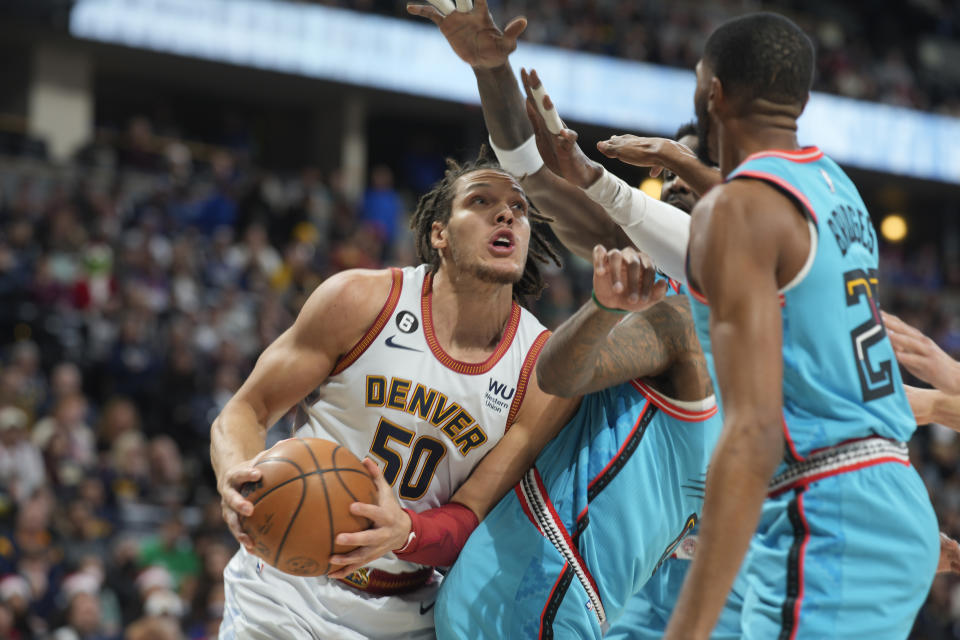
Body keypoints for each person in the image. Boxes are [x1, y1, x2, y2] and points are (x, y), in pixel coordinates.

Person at [407, 3, 732, 637]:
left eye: (696, 181)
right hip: (540, 588)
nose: (679, 194)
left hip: (573, 593)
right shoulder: (658, 277)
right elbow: (524, 168)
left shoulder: (704, 322)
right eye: (673, 184)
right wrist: (491, 68)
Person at [212, 151, 580, 638]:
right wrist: (233, 475)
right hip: (285, 588)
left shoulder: (541, 368)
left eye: (519, 207)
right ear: (439, 234)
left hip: (403, 611)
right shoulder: (362, 301)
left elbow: (472, 516)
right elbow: (246, 409)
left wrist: (404, 531)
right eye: (481, 201)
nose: (506, 213)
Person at [661, 13, 938, 639]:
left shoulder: (736, 212)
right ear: (801, 101)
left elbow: (755, 432)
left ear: (713, 92)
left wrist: (686, 631)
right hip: (891, 488)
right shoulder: (834, 186)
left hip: (829, 507)